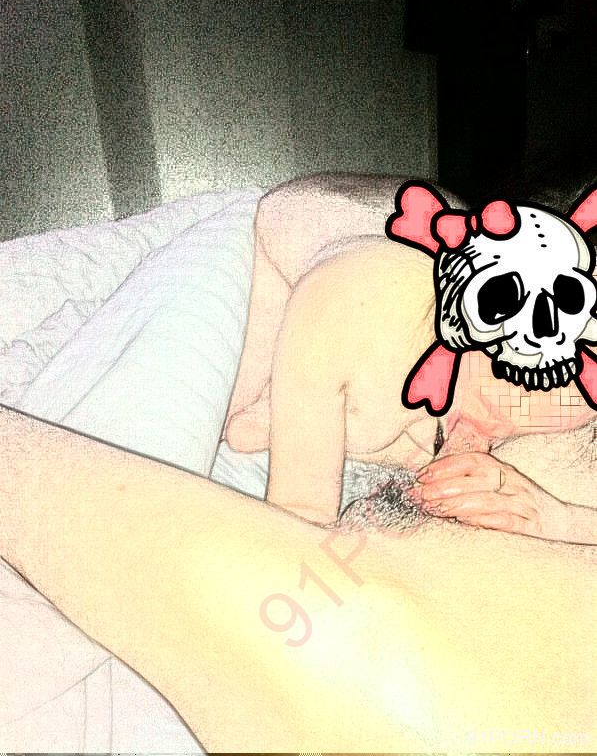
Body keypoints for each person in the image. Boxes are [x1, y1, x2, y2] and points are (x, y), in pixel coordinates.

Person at [0, 174, 595, 752]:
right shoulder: (368, 300)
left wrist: (561, 517)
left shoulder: (537, 378)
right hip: (272, 255)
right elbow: (296, 516)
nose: (497, 430)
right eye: (503, 392)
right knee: (196, 440)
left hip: (368, 304)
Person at [226, 174, 597, 541]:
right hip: (263, 243)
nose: (502, 414)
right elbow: (297, 523)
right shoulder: (360, 303)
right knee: (240, 426)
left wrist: (563, 520)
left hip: (384, 287)